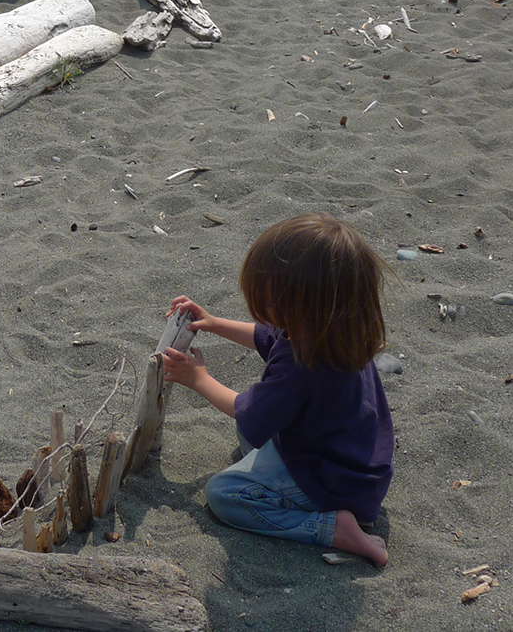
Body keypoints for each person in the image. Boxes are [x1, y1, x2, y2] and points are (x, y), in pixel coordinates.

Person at [161, 213, 393, 567]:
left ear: (302, 306)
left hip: (327, 482)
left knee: (223, 495)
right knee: (256, 436)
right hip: (353, 464)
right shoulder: (334, 333)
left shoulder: (302, 365)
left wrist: (198, 379)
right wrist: (213, 323)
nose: (264, 312)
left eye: (270, 303)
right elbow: (264, 336)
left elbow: (246, 413)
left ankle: (333, 528)